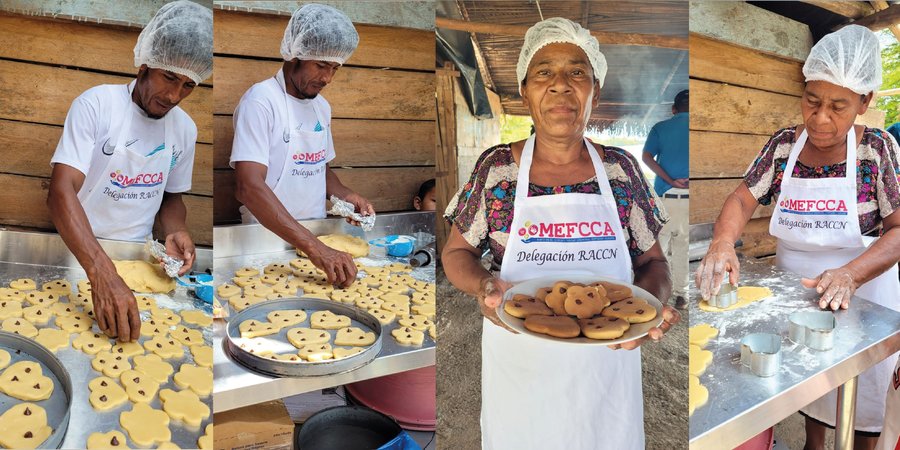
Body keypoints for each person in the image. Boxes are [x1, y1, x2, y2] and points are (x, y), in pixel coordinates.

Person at [442, 17, 680, 449]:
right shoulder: (497, 169)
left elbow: (654, 264)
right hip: (520, 362)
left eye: (576, 72)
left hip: (606, 362)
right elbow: (457, 252)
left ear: (595, 90)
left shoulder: (620, 170)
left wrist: (649, 309)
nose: (560, 85)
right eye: (543, 72)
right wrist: (486, 286)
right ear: (524, 90)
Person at [695, 25, 900, 450]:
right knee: (810, 392)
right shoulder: (785, 145)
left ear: (864, 102)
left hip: (863, 301)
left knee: (861, 413)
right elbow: (741, 199)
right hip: (796, 299)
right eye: (812, 100)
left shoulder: (876, 150)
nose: (820, 118)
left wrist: (850, 274)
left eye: (838, 106)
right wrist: (721, 243)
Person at [47, 0, 212, 342]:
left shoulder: (184, 129)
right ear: (144, 66)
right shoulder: (97, 105)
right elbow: (61, 191)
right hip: (80, 257)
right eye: (169, 77)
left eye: (188, 85)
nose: (174, 95)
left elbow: (171, 197)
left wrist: (176, 228)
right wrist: (101, 272)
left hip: (139, 264)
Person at [230, 4, 373, 288]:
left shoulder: (321, 107)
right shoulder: (260, 102)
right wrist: (315, 247)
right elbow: (248, 186)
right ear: (294, 55)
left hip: (318, 241)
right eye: (320, 65)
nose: (327, 78)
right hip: (266, 242)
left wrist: (344, 195)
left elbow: (319, 166)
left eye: (334, 68)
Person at [643, 89, 689, 309]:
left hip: (665, 196)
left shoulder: (660, 128)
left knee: (658, 249)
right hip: (691, 199)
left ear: (674, 109)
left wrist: (670, 179)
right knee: (683, 248)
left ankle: (656, 295)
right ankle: (682, 295)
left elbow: (646, 157)